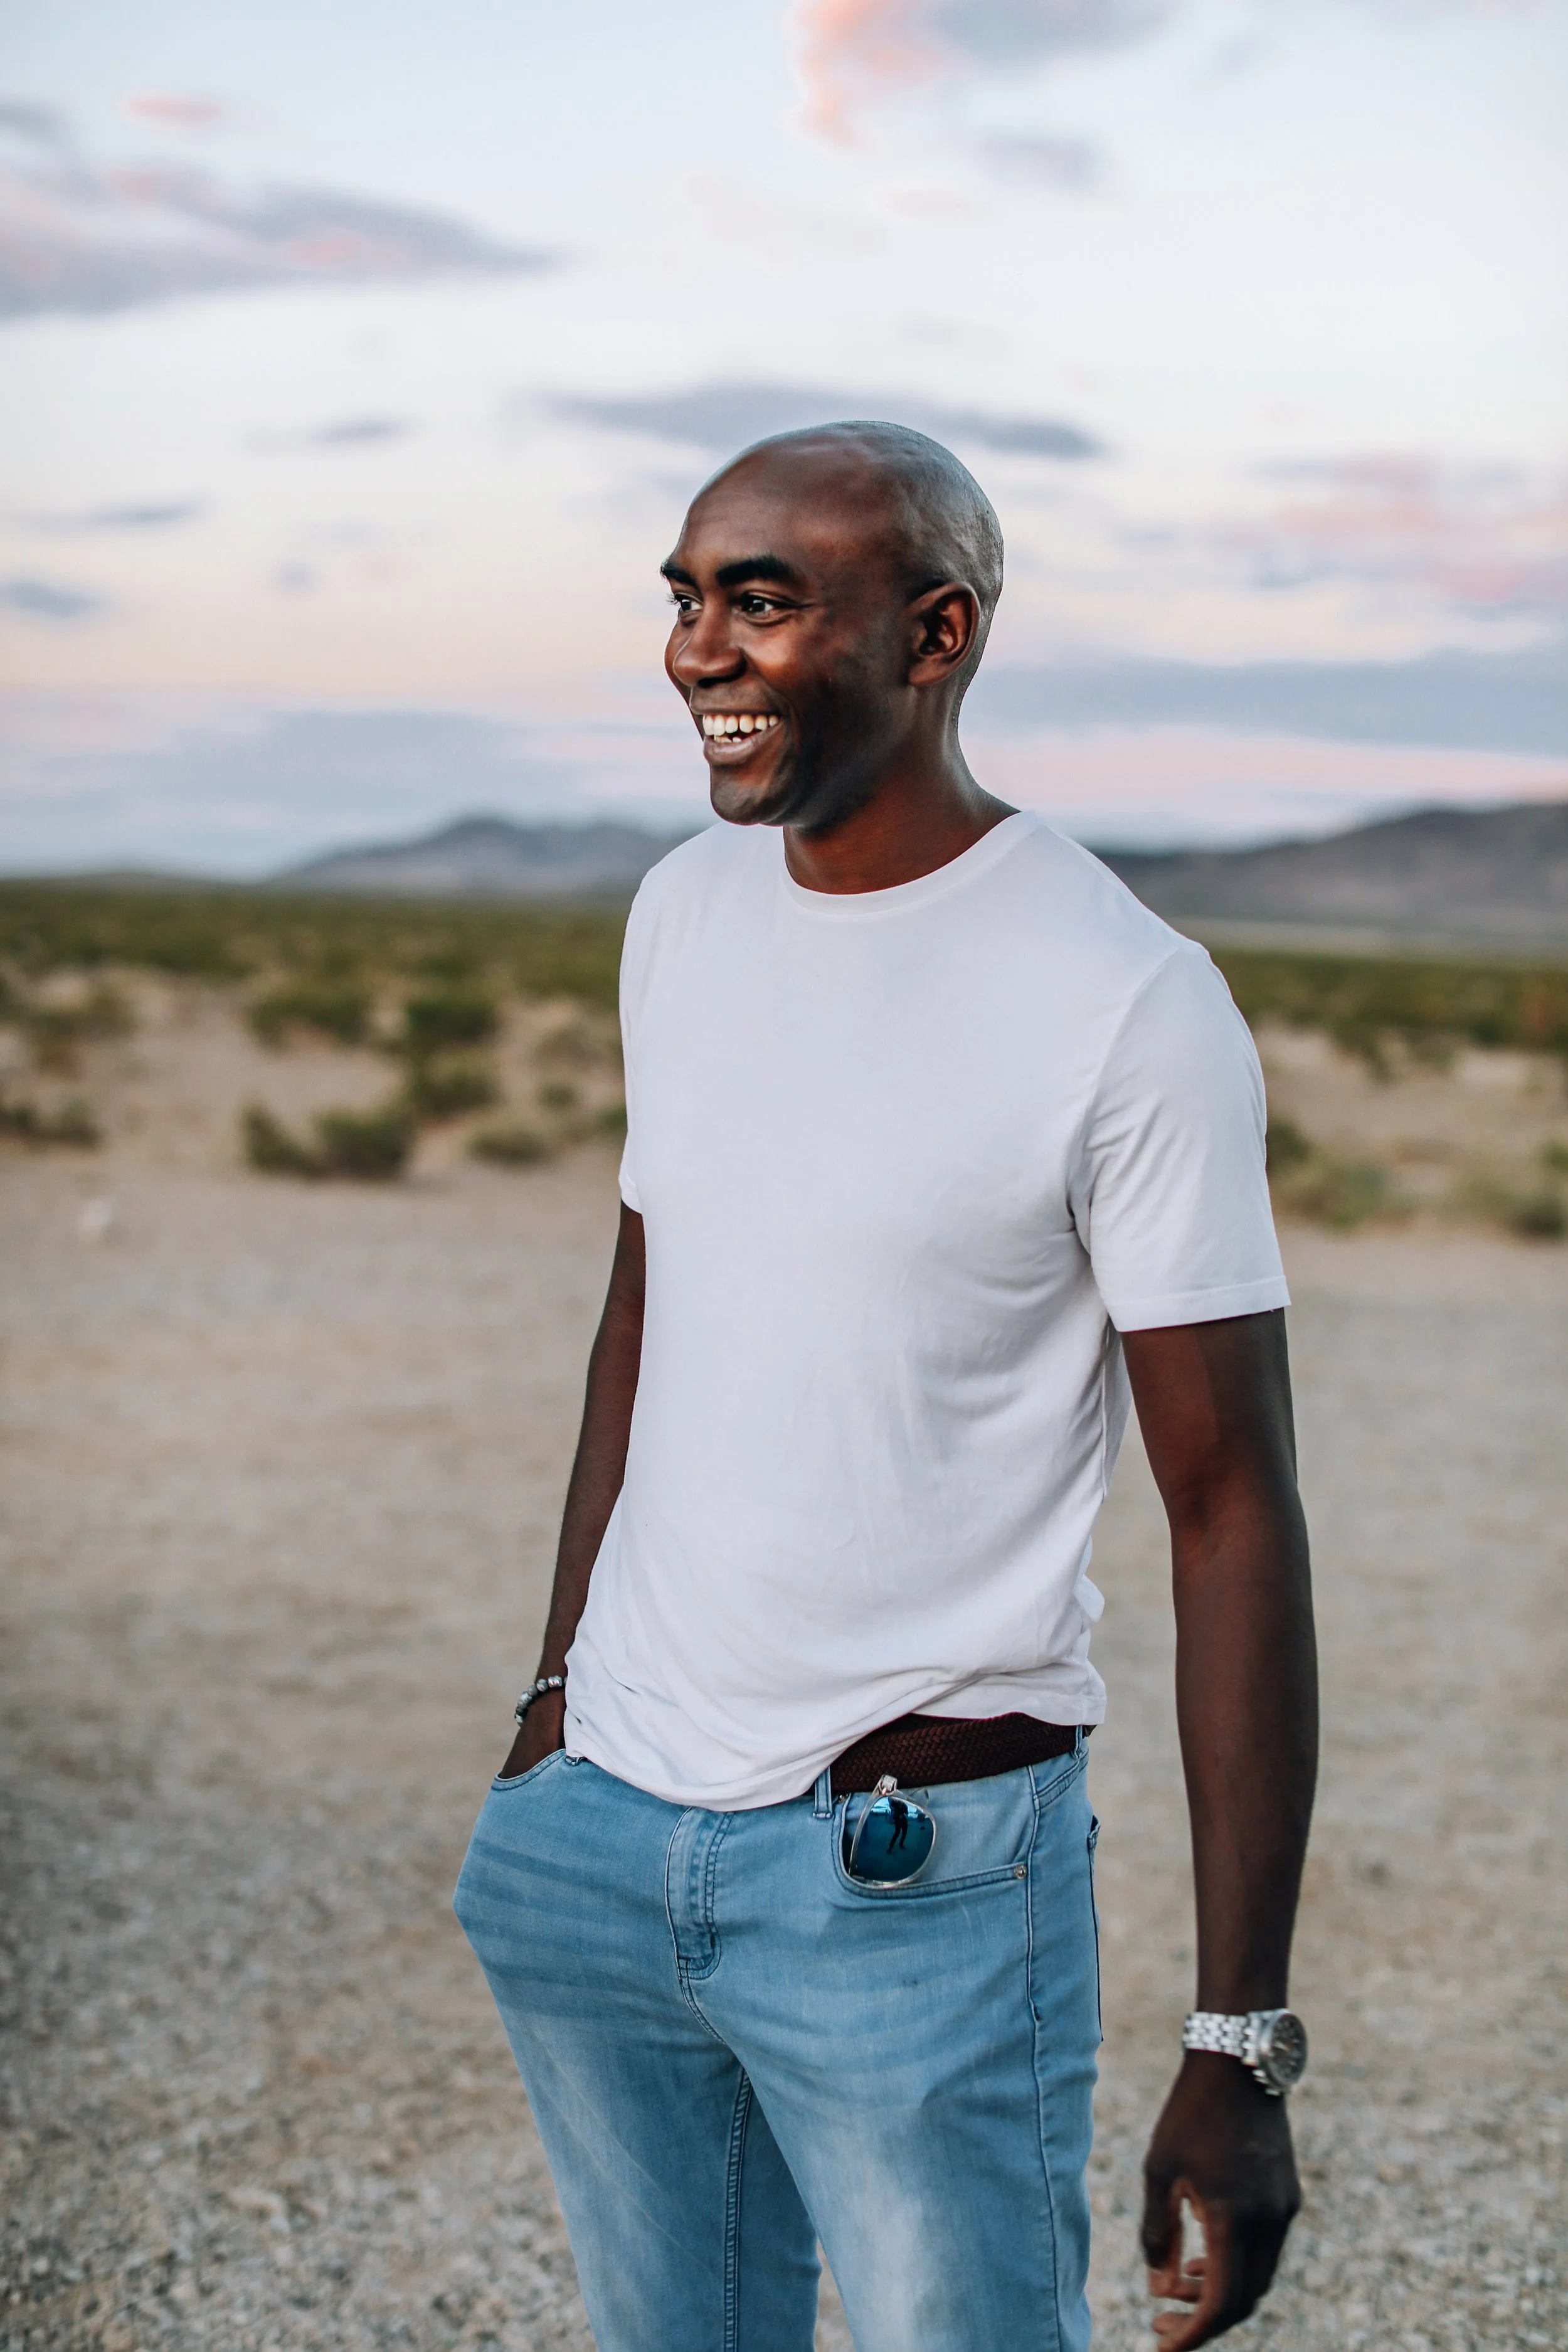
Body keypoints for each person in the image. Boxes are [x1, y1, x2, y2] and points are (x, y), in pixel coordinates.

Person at [455, 421, 1318, 2352]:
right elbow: (642, 1325)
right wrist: (551, 1712)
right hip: (601, 1837)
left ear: (934, 635)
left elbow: (1231, 1507)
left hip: (907, 1879)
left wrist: (1237, 2040)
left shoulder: (1125, 999)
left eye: (761, 601)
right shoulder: (682, 911)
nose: (696, 650)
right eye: (684, 598)